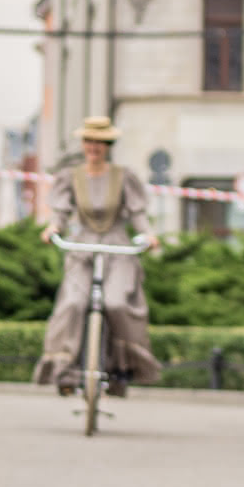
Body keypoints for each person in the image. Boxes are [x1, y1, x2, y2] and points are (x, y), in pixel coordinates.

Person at [34, 116, 162, 396]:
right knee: (73, 303)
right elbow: (60, 213)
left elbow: (138, 215)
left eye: (100, 142)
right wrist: (54, 227)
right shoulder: (70, 176)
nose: (94, 147)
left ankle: (121, 370)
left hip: (117, 246)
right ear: (83, 144)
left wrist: (148, 236)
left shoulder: (123, 176)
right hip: (83, 246)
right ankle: (64, 372)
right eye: (90, 141)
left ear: (108, 146)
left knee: (116, 303)